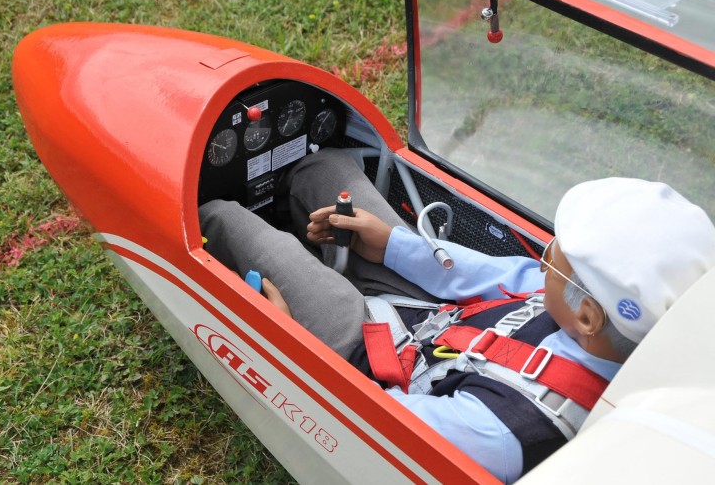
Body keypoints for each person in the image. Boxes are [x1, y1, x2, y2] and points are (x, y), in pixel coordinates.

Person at [199, 149, 715, 483]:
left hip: (367, 365)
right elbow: (494, 276)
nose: (544, 259)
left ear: (587, 317)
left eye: (554, 257)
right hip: (434, 315)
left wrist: (287, 342)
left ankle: (206, 220)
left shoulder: (505, 434)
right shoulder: (595, 315)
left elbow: (370, 422)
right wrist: (391, 245)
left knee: (226, 220)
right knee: (325, 170)